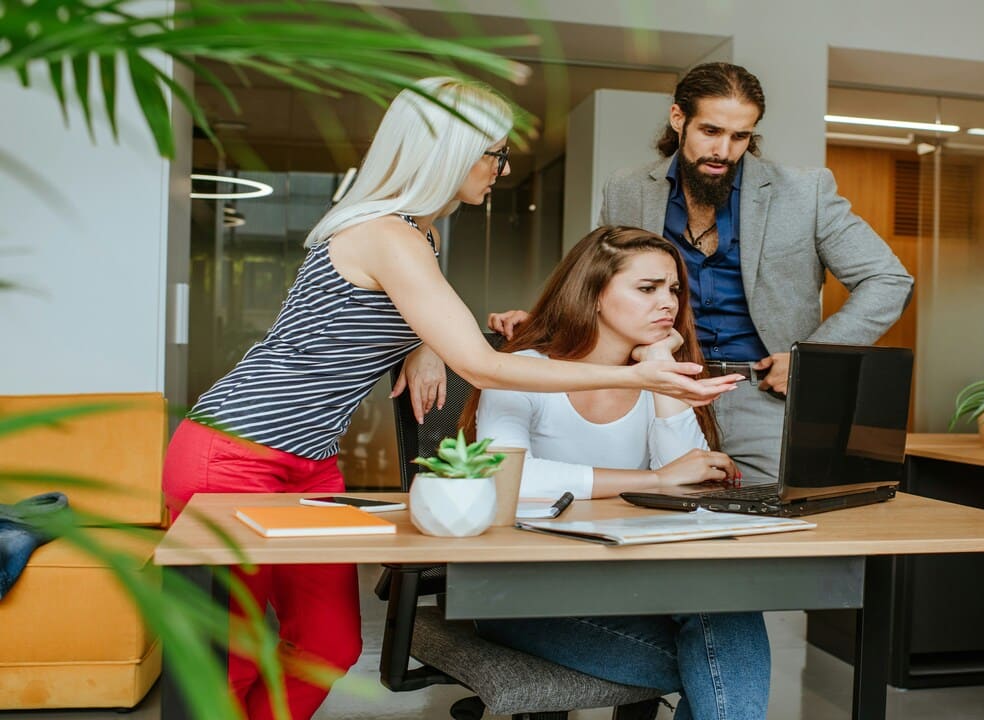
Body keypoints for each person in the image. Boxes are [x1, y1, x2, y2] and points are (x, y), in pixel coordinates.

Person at [160, 78, 739, 720]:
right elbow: (484, 366)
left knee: (328, 643)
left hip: (311, 463)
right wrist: (637, 378)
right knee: (229, 654)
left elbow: (410, 317)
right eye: (491, 152)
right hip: (234, 448)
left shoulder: (424, 239)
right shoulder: (385, 233)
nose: (500, 168)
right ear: (446, 150)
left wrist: (420, 344)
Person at [486, 62, 914, 483]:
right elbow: (600, 275)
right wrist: (547, 323)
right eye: (711, 131)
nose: (724, 151)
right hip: (656, 385)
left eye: (740, 136)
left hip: (762, 395)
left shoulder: (806, 192)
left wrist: (813, 359)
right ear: (678, 118)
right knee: (651, 508)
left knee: (771, 521)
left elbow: (889, 280)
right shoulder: (628, 187)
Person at [460, 225, 770, 720]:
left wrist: (662, 365)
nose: (667, 303)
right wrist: (652, 480)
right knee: (722, 662)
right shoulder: (522, 369)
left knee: (726, 610)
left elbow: (691, 484)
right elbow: (508, 480)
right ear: (594, 295)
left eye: (672, 290)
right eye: (647, 289)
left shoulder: (653, 373)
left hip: (629, 586)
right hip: (523, 595)